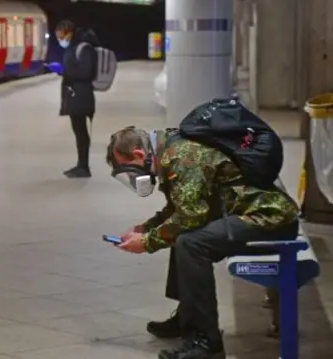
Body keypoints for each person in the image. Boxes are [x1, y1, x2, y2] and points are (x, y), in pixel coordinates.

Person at [106, 126, 300, 359]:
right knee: (183, 236)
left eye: (130, 171)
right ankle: (187, 317)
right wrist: (147, 228)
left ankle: (207, 343)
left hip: (268, 219)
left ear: (138, 154)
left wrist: (147, 242)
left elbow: (191, 216)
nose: (134, 178)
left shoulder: (179, 155)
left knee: (191, 243)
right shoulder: (170, 148)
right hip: (252, 213)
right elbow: (180, 207)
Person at [48, 19, 100, 178]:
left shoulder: (84, 48)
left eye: (61, 36)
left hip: (81, 95)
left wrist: (64, 71)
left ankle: (84, 166)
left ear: (69, 33)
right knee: (79, 131)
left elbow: (86, 73)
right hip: (75, 94)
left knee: (81, 132)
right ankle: (81, 165)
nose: (60, 40)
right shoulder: (74, 47)